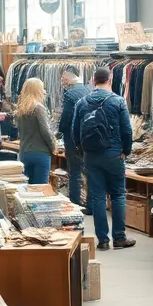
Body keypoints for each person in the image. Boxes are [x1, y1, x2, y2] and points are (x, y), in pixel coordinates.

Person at [69, 66, 136, 251]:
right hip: (114, 153)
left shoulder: (82, 102)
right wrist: (126, 151)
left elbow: (75, 131)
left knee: (97, 196)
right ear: (110, 79)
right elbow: (127, 130)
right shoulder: (118, 101)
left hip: (92, 155)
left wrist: (82, 150)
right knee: (118, 194)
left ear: (93, 81)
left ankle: (103, 240)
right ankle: (119, 237)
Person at [57, 66, 89, 208]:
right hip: (86, 136)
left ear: (70, 78)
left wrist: (59, 132)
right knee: (87, 171)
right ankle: (89, 203)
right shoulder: (87, 90)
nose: (62, 80)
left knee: (74, 171)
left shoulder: (70, 94)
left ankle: (74, 203)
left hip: (72, 137)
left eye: (64, 77)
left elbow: (66, 117)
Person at [15, 78, 56, 185]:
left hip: (24, 152)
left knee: (25, 189)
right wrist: (53, 146)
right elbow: (45, 131)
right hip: (40, 153)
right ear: (37, 90)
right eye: (42, 88)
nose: (44, 91)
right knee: (40, 190)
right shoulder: (38, 108)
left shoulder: (21, 109)